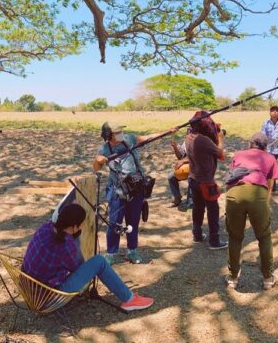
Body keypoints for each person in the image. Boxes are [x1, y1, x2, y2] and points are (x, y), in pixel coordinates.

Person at [22, 203, 154, 311]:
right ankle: (129, 299)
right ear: (74, 227)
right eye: (80, 225)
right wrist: (75, 245)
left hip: (30, 293)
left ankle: (128, 297)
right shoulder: (66, 245)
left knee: (86, 259)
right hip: (48, 299)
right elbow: (77, 268)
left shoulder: (45, 227)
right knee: (99, 262)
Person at [93, 122, 175, 265]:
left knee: (133, 221)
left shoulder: (129, 139)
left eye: (120, 131)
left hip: (136, 188)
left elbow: (146, 138)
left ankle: (132, 251)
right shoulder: (104, 149)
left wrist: (167, 132)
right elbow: (96, 167)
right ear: (108, 135)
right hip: (117, 190)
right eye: (116, 132)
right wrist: (97, 160)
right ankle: (111, 253)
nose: (120, 134)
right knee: (115, 222)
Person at [224, 132, 278, 290]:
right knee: (264, 237)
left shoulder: (239, 154)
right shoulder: (270, 158)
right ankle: (268, 278)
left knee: (235, 237)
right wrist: (266, 205)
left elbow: (231, 177)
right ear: (265, 146)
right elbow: (270, 185)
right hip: (258, 194)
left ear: (250, 144)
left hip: (235, 193)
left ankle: (233, 278)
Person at [185, 110, 228, 250]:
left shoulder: (189, 136)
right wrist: (221, 137)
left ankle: (197, 234)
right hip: (206, 181)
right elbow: (220, 152)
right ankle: (214, 240)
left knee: (198, 208)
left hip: (193, 178)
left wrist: (215, 128)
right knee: (213, 209)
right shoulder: (203, 140)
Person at [167, 139, 192, 211]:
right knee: (171, 177)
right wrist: (175, 148)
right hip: (187, 167)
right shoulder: (186, 141)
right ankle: (177, 198)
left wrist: (184, 161)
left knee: (192, 177)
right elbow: (180, 157)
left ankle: (191, 201)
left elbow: (198, 156)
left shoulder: (200, 140)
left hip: (199, 167)